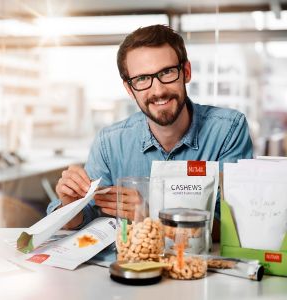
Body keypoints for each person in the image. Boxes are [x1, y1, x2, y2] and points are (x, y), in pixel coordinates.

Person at [47, 24, 253, 240]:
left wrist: (152, 215)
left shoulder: (228, 130)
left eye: (167, 72)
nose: (158, 91)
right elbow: (86, 218)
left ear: (186, 72)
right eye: (142, 79)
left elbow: (235, 225)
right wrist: (70, 207)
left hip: (199, 268)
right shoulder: (110, 143)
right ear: (129, 89)